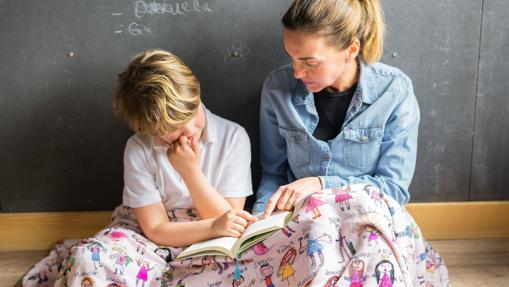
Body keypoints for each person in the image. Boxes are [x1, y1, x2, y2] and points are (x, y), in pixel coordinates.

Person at [23, 49, 256, 286]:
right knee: (88, 259)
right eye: (171, 128)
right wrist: (188, 174)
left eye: (190, 113)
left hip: (211, 236)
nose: (188, 130)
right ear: (149, 129)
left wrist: (190, 172)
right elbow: (155, 229)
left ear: (197, 94)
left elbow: (227, 220)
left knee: (242, 272)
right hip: (147, 235)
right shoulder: (138, 148)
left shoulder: (233, 137)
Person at [253, 0, 420, 217]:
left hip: (369, 219)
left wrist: (321, 184)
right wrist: (259, 223)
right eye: (291, 57)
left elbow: (392, 189)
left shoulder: (394, 91)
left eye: (310, 63)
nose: (297, 72)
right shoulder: (277, 88)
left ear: (350, 50)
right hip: (302, 223)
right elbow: (273, 175)